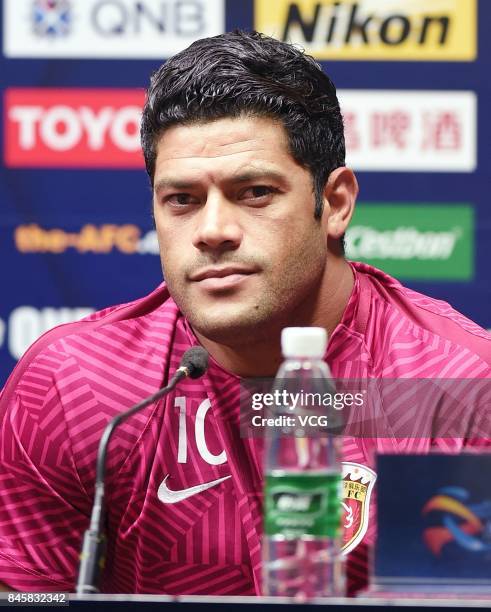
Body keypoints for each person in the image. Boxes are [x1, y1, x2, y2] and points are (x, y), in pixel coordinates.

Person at [0, 30, 489, 596]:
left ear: (333, 204)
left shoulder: (454, 389)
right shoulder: (77, 388)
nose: (212, 232)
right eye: (181, 199)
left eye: (254, 192)